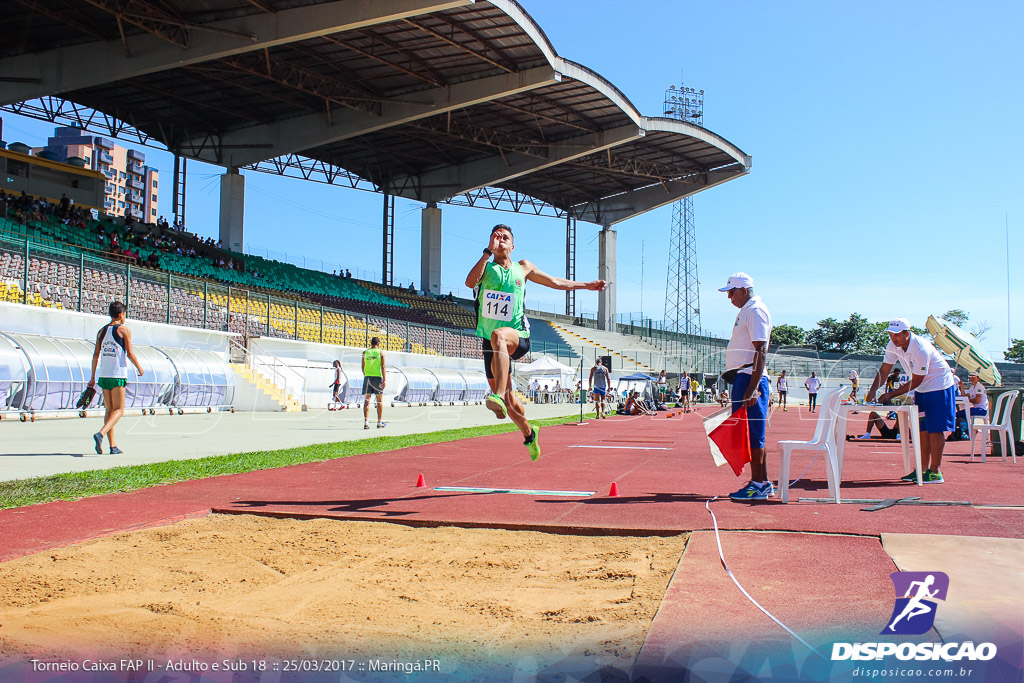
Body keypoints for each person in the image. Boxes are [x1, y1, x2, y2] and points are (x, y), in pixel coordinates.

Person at [466, 224, 605, 460]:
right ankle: (530, 434)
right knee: (510, 403)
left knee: (499, 336)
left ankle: (497, 395)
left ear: (512, 245)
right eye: (495, 237)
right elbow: (470, 282)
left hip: (517, 337)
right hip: (490, 345)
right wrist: (486, 253)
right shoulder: (486, 268)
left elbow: (555, 282)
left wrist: (586, 285)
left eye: (505, 237)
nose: (500, 240)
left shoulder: (523, 268)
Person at [867, 318, 956, 484]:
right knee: (922, 430)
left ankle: (935, 471)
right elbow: (885, 369)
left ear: (907, 333)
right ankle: (922, 470)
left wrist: (890, 395)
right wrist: (873, 390)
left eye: (896, 335)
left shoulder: (920, 349)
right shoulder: (892, 346)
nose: (893, 338)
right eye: (890, 335)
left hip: (939, 386)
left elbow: (916, 381)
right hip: (922, 389)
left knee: (935, 429)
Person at [718, 273, 773, 501]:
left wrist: (752, 389)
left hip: (751, 376)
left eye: (731, 292)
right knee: (747, 434)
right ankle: (761, 482)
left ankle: (759, 484)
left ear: (743, 290)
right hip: (744, 375)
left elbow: (761, 350)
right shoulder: (747, 310)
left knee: (753, 434)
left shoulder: (755, 310)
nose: (729, 297)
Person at [88, 301, 144, 455]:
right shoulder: (124, 330)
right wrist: (139, 367)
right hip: (117, 374)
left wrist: (93, 377)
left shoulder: (101, 331)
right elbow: (130, 353)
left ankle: (113, 446)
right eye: (125, 314)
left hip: (103, 375)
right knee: (119, 410)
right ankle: (101, 433)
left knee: (110, 410)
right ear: (121, 314)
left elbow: (96, 355)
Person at [362, 337, 386, 429]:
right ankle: (379, 422)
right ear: (378, 344)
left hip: (368, 377)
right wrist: (384, 380)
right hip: (377, 378)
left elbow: (363, 366)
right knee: (379, 401)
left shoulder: (365, 353)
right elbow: (383, 367)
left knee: (367, 401)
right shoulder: (381, 352)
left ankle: (366, 422)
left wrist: (366, 375)